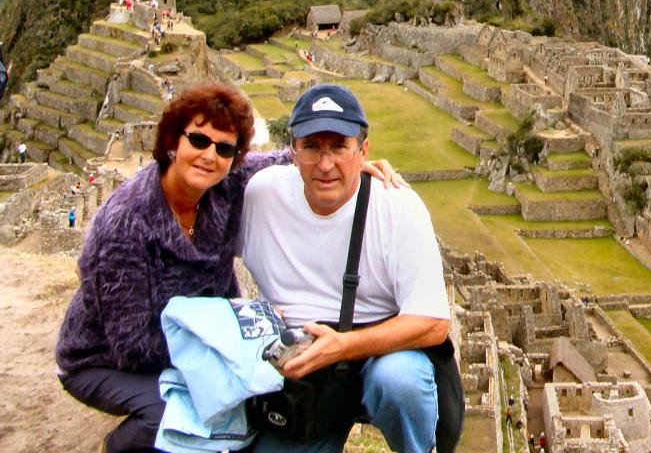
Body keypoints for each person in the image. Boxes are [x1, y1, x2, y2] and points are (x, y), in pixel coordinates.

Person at [56, 82, 399, 453]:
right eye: (199, 141)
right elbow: (133, 346)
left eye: (223, 148)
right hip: (105, 360)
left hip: (198, 337)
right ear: (174, 140)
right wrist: (234, 337)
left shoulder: (226, 184)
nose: (209, 156)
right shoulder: (126, 222)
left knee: (247, 407)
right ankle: (118, 446)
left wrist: (340, 164)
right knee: (179, 416)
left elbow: (284, 159)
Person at [240, 83, 460, 453]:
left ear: (363, 151)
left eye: (340, 147)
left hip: (382, 351)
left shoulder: (398, 207)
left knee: (399, 381)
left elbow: (433, 323)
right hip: (303, 366)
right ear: (293, 152)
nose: (326, 165)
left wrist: (343, 347)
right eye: (312, 147)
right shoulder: (261, 196)